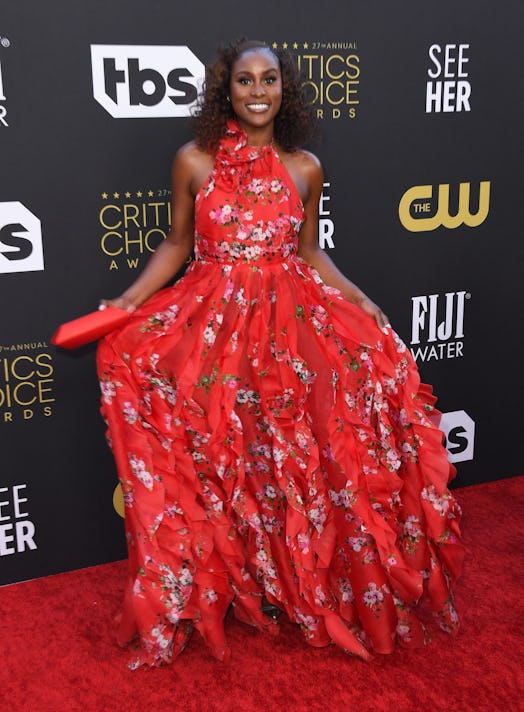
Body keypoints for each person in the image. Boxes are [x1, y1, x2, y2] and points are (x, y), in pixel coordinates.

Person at [97, 39, 464, 669]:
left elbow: (310, 252)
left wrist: (358, 297)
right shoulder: (193, 160)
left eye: (270, 79)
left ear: (284, 89)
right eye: (246, 80)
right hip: (214, 320)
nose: (258, 91)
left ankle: (291, 585)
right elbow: (177, 243)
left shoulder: (305, 167)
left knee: (291, 452)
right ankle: (235, 584)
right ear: (227, 90)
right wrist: (129, 302)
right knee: (223, 451)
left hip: (287, 320)